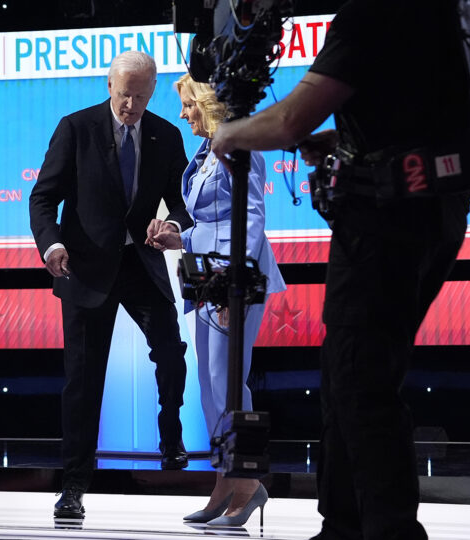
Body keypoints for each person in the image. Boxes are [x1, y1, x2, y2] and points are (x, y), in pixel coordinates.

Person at [210, 1, 470, 538]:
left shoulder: (371, 14)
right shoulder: (441, 12)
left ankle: (387, 529)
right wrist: (346, 141)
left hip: (386, 223)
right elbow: (413, 112)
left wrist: (228, 134)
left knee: (361, 382)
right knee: (348, 377)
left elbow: (289, 120)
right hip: (433, 214)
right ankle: (343, 525)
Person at [29, 50, 194, 519]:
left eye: (141, 97)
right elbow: (43, 199)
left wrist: (172, 228)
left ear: (152, 92)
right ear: (109, 86)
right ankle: (74, 486)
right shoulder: (75, 128)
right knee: (83, 383)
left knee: (170, 351)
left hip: (141, 265)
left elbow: (182, 204)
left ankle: (171, 435)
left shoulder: (166, 135)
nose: (131, 106)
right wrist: (52, 245)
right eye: (125, 95)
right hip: (84, 270)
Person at [150, 73, 285, 527]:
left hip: (234, 279)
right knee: (209, 386)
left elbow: (250, 217)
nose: (183, 113)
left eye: (188, 104)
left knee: (228, 382)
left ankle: (247, 481)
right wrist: (179, 236)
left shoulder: (239, 148)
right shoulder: (207, 152)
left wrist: (234, 279)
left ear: (206, 103)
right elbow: (213, 219)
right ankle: (225, 479)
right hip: (206, 280)